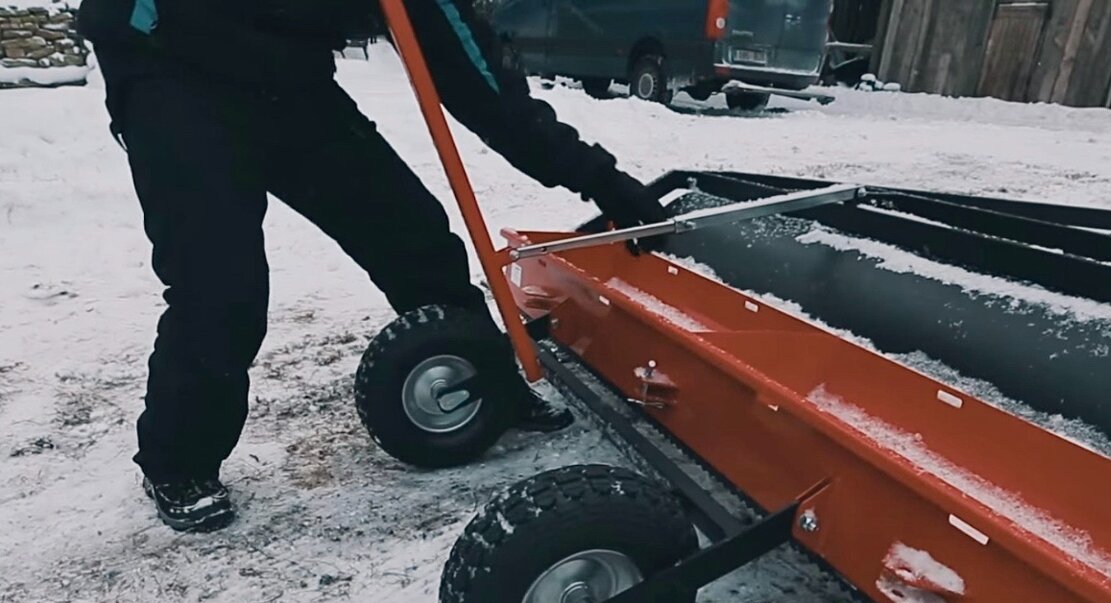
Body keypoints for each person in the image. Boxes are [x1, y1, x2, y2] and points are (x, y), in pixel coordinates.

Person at [75, 0, 670, 533]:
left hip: (290, 79)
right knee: (220, 285)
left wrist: (600, 180)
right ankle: (178, 462)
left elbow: (476, 80)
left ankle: (483, 380)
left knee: (411, 233)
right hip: (171, 68)